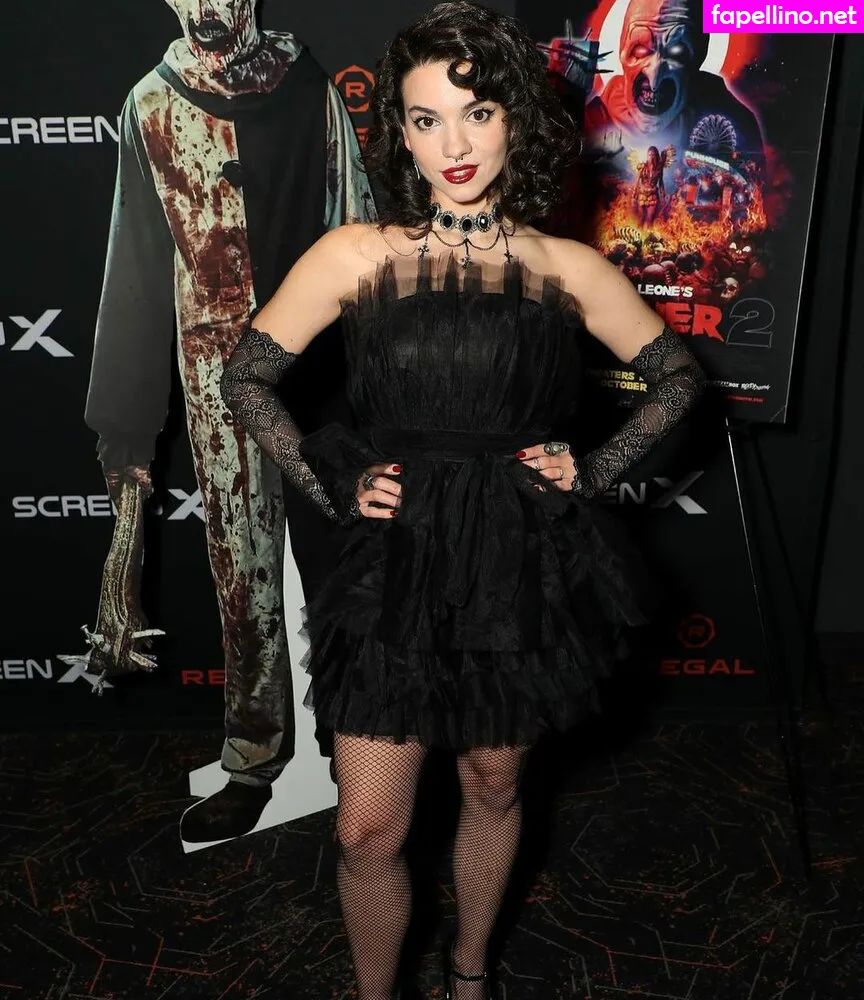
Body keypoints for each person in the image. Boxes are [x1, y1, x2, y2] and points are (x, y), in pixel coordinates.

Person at [220, 3, 706, 997]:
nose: (454, 144)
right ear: (400, 134)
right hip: (393, 562)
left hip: (514, 561)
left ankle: (471, 972)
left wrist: (593, 470)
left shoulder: (565, 268)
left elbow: (677, 377)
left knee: (493, 782)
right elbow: (247, 377)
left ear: (514, 120)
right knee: (367, 828)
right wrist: (331, 477)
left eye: (477, 113)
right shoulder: (355, 255)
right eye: (426, 118)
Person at [76, 0, 374, 844]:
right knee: (240, 569)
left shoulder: (309, 85)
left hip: (321, 363)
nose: (207, 8)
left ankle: (358, 741)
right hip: (215, 378)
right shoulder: (150, 103)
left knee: (346, 556)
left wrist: (380, 374)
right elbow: (136, 268)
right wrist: (126, 428)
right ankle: (252, 757)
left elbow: (356, 219)